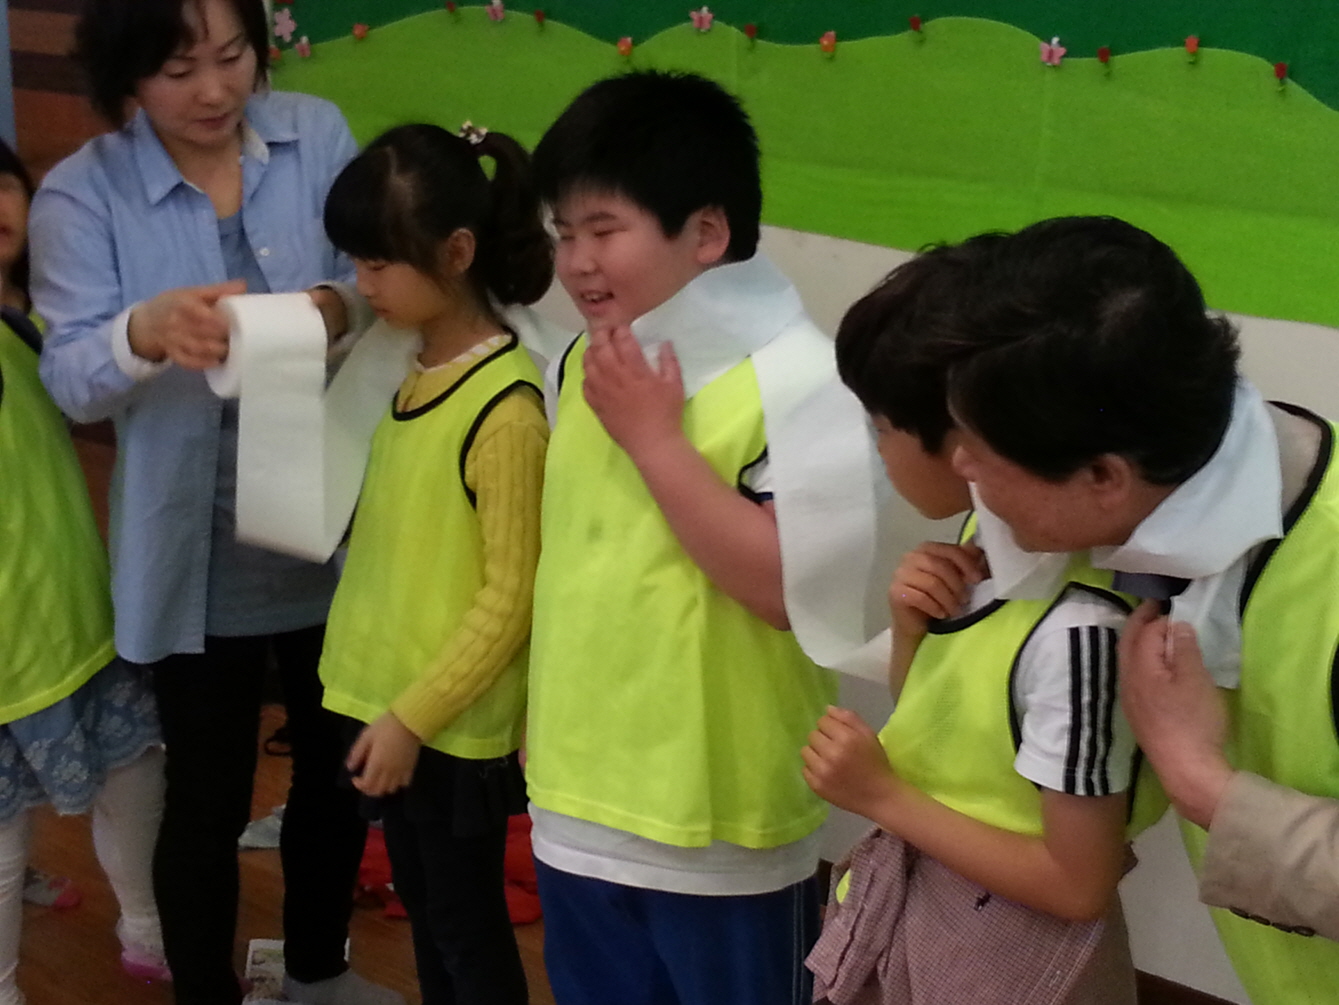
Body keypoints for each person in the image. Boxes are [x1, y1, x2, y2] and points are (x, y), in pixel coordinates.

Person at [30, 2, 396, 1003]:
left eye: (232, 56)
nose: (214, 89)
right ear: (127, 76)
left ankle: (318, 971)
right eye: (178, 68)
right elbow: (69, 377)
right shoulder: (84, 193)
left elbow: (377, 275)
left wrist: (332, 306)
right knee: (207, 793)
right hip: (195, 549)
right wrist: (140, 334)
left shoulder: (314, 134)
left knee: (339, 772)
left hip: (332, 523)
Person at [523, 70, 876, 1005]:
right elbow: (579, 565)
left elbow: (786, 590)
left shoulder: (803, 377)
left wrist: (655, 441)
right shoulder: (578, 359)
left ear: (707, 232)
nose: (576, 261)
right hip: (576, 798)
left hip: (722, 825)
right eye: (563, 232)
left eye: (603, 230)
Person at [940, 215, 1339, 1003]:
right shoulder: (1165, 492)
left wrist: (1199, 779)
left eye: (983, 451)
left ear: (1103, 477)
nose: (961, 465)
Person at [801, 239, 1154, 1005]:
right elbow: (947, 729)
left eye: (882, 426)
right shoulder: (979, 538)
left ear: (964, 442)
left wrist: (881, 796)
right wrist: (910, 629)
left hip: (1015, 956)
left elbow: (1077, 883)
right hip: (936, 910)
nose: (875, 448)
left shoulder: (1079, 633)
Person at [317, 122, 552, 1005]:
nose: (362, 282)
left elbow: (510, 597)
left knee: (463, 925)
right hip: (391, 708)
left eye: (378, 262)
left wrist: (410, 719)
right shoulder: (409, 371)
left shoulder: (507, 411)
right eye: (358, 260)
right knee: (426, 910)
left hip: (442, 728)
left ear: (456, 251)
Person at [0, 136, 166, 1005]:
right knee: (1, 834)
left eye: (0, 185)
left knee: (134, 767)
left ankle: (147, 927)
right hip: (10, 634)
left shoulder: (37, 313)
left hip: (72, 599)